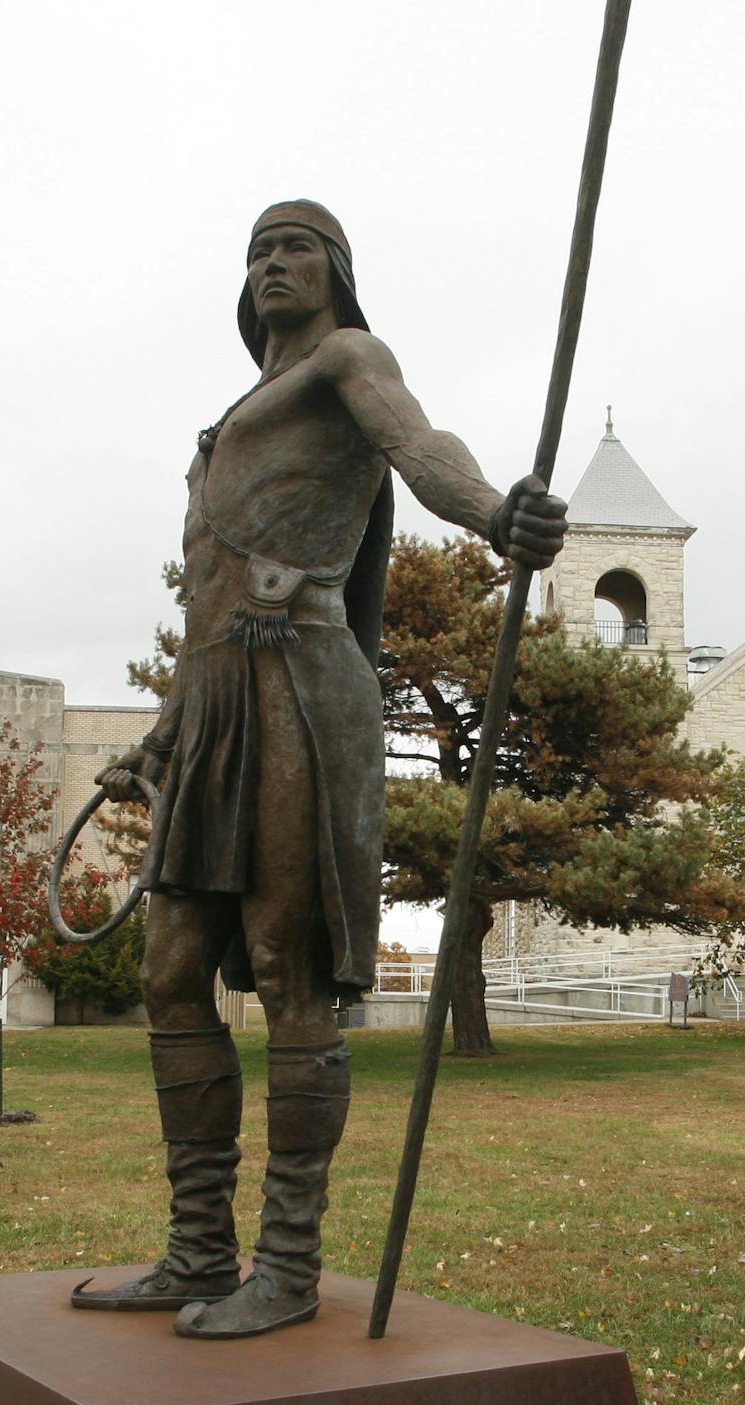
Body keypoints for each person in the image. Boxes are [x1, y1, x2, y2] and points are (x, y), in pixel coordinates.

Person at [70, 200, 566, 1338]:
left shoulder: (350, 358)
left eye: (293, 249)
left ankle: (285, 1266)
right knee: (167, 972)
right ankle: (197, 1248)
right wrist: (160, 732)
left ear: (336, 272)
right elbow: (205, 604)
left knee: (290, 976)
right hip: (209, 702)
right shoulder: (233, 415)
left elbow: (418, 446)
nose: (270, 266)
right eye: (255, 253)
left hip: (297, 683)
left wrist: (496, 515)